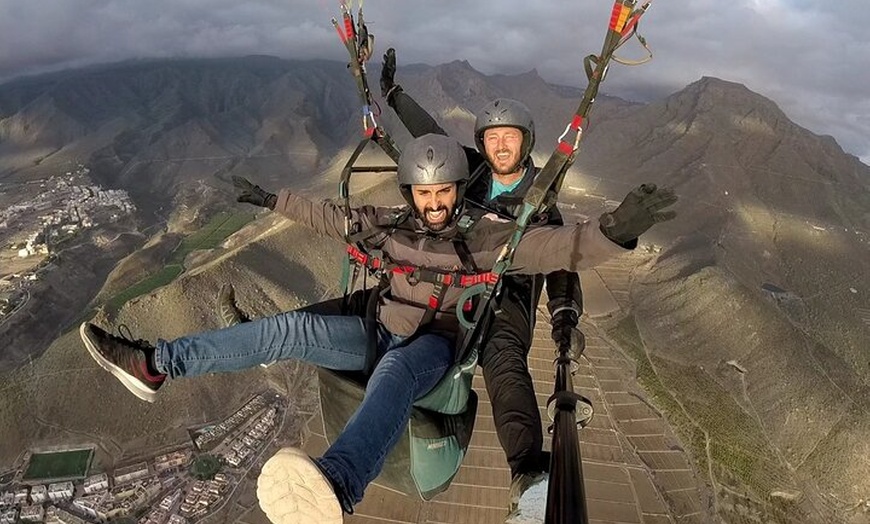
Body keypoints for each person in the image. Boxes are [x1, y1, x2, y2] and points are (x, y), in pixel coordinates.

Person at [80, 134, 676, 523]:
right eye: (427, 192)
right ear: (411, 193)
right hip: (376, 322)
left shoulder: (488, 239)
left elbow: (557, 247)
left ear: (455, 191)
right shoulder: (389, 225)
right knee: (286, 329)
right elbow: (328, 217)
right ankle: (157, 364)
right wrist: (269, 198)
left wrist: (618, 228)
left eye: (445, 191)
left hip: (434, 344)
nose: (438, 202)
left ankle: (337, 487)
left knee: (393, 372)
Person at [380, 47, 585, 509]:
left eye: (509, 137)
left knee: (500, 356)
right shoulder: (470, 172)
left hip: (505, 295)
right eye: (492, 138)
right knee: (394, 311)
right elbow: (431, 133)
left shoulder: (540, 202)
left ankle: (528, 474)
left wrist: (566, 318)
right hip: (454, 279)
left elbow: (560, 260)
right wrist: (394, 96)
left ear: (525, 143)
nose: (500, 146)